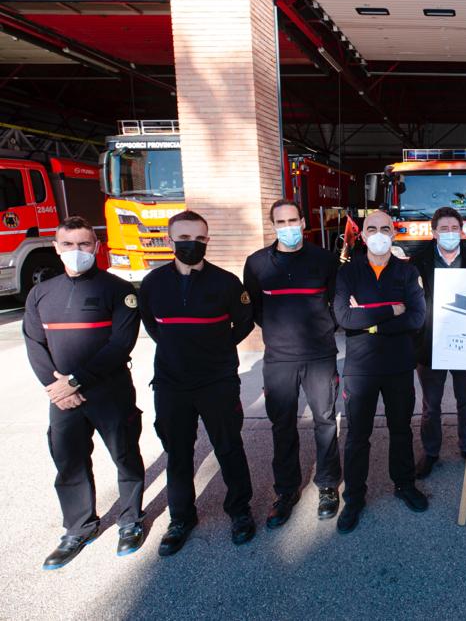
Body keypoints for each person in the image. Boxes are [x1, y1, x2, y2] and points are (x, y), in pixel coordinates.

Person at [23, 216, 146, 569]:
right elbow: (34, 343)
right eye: (68, 244)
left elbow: (120, 344)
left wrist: (75, 381)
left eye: (84, 244)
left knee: (125, 455)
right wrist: (56, 388)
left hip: (110, 392)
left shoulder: (119, 290)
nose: (76, 251)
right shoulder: (40, 294)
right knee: (68, 461)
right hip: (63, 398)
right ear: (56, 248)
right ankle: (78, 528)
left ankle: (130, 521)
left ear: (96, 246)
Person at [139, 210, 256, 556]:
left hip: (217, 380)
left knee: (228, 447)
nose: (192, 244)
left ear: (207, 240)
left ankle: (240, 511)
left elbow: (245, 321)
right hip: (171, 382)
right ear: (170, 240)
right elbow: (151, 324)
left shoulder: (226, 282)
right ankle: (181, 518)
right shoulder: (153, 283)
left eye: (200, 238)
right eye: (185, 238)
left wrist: (218, 348)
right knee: (178, 453)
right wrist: (177, 348)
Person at [243, 199, 341, 529]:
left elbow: (337, 302)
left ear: (303, 222)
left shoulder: (324, 260)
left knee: (325, 420)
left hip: (319, 355)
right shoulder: (257, 264)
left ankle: (328, 485)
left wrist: (323, 329)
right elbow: (255, 309)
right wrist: (278, 332)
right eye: (280, 222)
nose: (287, 227)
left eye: (292, 220)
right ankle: (286, 491)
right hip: (279, 358)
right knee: (282, 425)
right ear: (273, 226)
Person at [334, 210, 427, 533]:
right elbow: (344, 318)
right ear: (362, 235)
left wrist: (370, 322)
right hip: (360, 369)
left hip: (398, 365)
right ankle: (354, 498)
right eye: (371, 228)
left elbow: (416, 318)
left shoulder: (407, 271)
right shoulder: (348, 273)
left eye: (384, 229)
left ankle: (404, 484)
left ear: (393, 233)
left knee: (401, 429)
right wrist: (390, 310)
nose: (378, 234)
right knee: (357, 436)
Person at [411, 206, 466, 478]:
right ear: (434, 232)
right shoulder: (418, 261)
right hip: (429, 345)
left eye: (454, 228)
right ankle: (431, 452)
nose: (449, 233)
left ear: (462, 231)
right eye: (444, 229)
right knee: (431, 406)